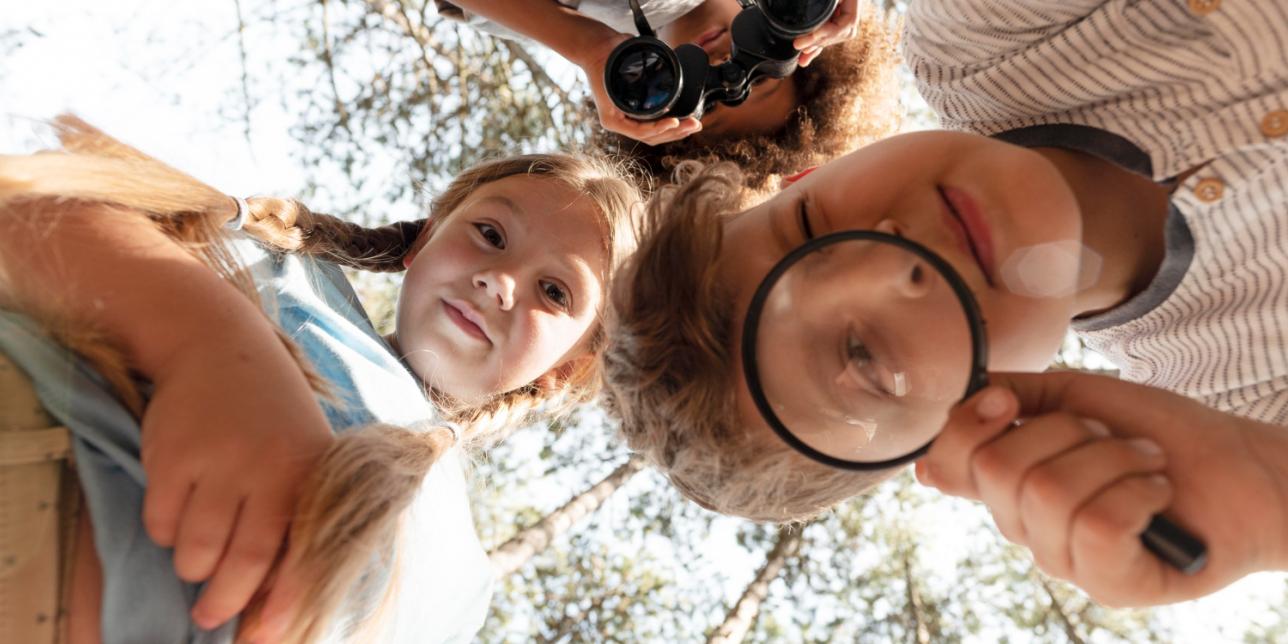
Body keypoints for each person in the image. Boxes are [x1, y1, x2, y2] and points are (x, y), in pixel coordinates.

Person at [600, 0, 1288, 608]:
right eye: (864, 357)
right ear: (958, 428)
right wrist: (1270, 490)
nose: (892, 267)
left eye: (809, 226)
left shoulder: (982, 40)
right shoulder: (1247, 405)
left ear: (808, 174)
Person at [0, 116, 640, 642]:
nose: (499, 281)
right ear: (422, 241)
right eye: (490, 234)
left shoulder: (466, 581)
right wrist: (209, 344)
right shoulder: (283, 270)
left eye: (554, 292)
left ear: (567, 370)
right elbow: (26, 206)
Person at [435, 0, 901, 191]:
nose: (722, 65)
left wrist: (589, 46)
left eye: (710, 100)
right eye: (760, 77)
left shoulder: (565, 19)